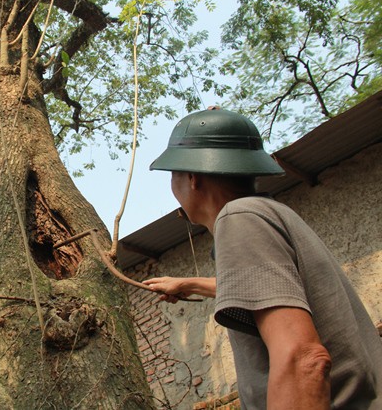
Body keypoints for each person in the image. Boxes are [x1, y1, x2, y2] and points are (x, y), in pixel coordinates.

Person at [142, 108, 382, 409]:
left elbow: (304, 360)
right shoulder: (265, 214)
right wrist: (190, 284)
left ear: (192, 177)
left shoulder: (239, 218)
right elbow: (269, 287)